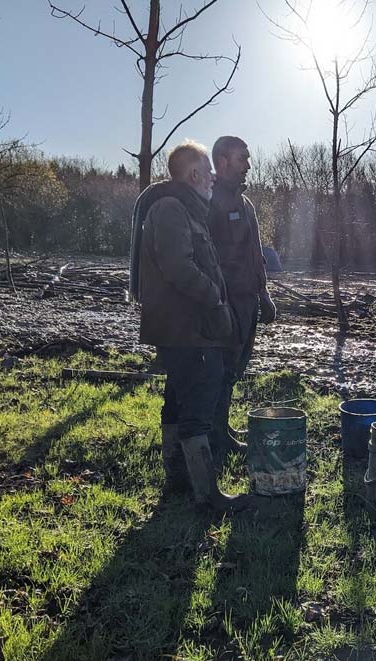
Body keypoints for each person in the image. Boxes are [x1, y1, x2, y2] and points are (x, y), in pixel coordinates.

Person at [131, 140, 245, 510]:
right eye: (207, 171)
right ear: (193, 174)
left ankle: (178, 481)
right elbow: (178, 267)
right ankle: (206, 495)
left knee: (177, 400)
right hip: (188, 327)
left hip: (184, 326)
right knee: (198, 402)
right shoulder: (172, 208)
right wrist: (214, 296)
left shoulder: (185, 207)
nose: (213, 177)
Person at [207, 135, 276, 465]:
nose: (248, 165)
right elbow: (203, 256)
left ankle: (220, 427)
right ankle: (213, 434)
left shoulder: (245, 204)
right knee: (221, 369)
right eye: (242, 158)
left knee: (235, 368)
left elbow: (255, 254)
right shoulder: (208, 200)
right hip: (224, 303)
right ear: (222, 161)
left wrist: (265, 295)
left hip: (248, 300)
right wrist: (216, 302)